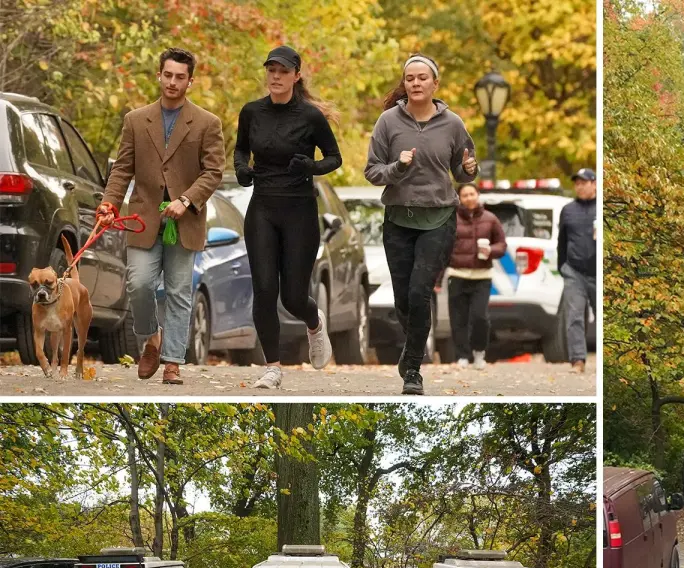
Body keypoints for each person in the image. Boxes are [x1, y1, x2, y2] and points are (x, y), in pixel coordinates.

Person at [98, 47, 225, 386]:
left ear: (190, 81)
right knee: (139, 284)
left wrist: (186, 200)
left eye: (179, 77)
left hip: (185, 221)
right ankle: (150, 339)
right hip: (143, 218)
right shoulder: (136, 120)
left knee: (179, 291)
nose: (172, 82)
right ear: (159, 75)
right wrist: (109, 204)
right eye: (167, 75)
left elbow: (213, 172)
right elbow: (122, 168)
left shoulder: (207, 123)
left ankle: (172, 361)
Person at [364, 54, 478, 395]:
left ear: (434, 84)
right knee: (403, 298)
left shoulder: (453, 124)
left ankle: (412, 367)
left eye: (422, 78)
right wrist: (396, 168)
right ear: (405, 83)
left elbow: (462, 171)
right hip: (398, 219)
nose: (415, 83)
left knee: (419, 291)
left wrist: (470, 169)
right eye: (410, 78)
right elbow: (372, 171)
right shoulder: (388, 122)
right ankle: (412, 350)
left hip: (439, 217)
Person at [233, 45, 342, 390]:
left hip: (299, 210)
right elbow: (240, 149)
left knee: (293, 297)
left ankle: (314, 322)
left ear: (296, 75)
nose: (276, 77)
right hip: (262, 206)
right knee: (265, 289)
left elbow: (334, 157)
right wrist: (240, 168)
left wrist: (311, 166)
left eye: (283, 71)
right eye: (271, 70)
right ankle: (273, 368)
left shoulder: (310, 117)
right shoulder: (251, 112)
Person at [447, 183, 505, 368]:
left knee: (480, 317)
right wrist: (436, 277)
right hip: (457, 275)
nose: (469, 198)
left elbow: (502, 244)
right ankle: (462, 356)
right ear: (459, 198)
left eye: (472, 194)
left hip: (482, 276)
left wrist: (491, 250)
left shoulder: (491, 219)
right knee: (458, 319)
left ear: (478, 195)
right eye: (465, 195)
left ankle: (479, 352)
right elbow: (442, 248)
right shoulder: (451, 219)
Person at [557, 168, 597, 374]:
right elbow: (561, 241)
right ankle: (577, 360)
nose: (580, 186)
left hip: (598, 272)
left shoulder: (601, 208)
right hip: (574, 271)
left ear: (595, 184)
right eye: (577, 183)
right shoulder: (568, 210)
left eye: (584, 182)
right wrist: (562, 266)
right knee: (574, 316)